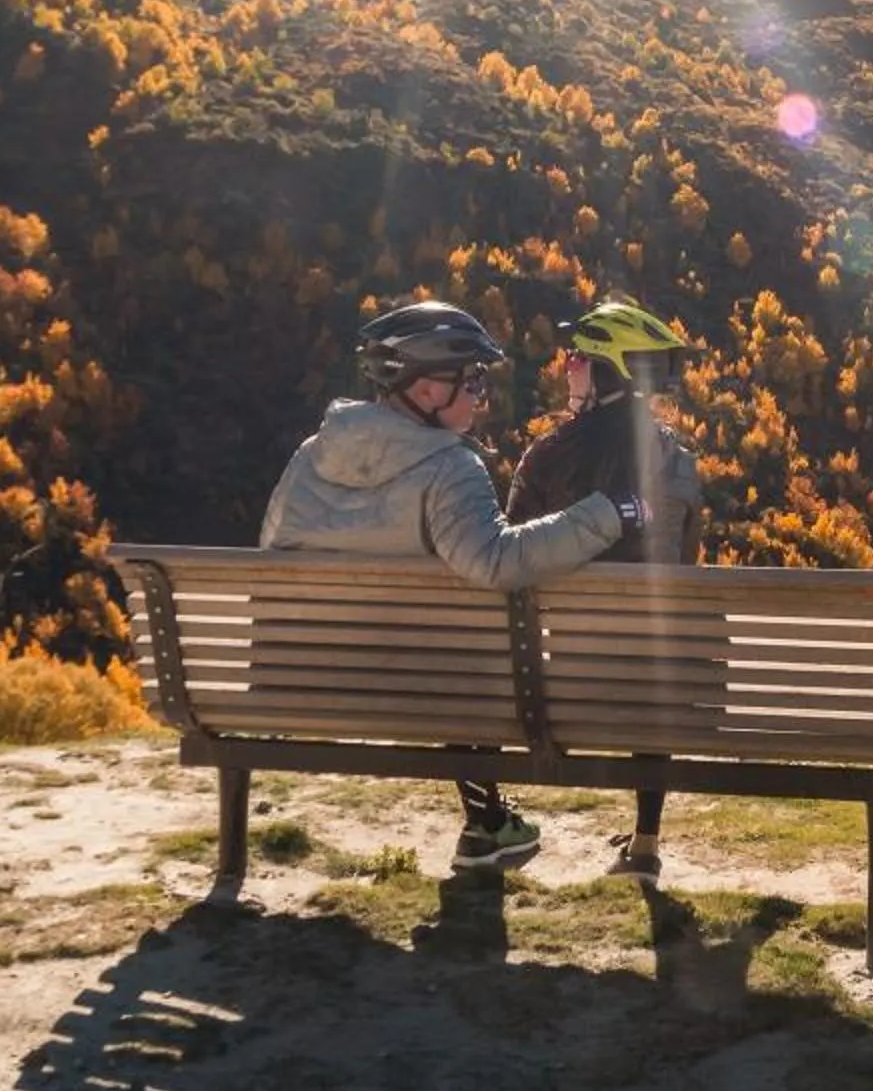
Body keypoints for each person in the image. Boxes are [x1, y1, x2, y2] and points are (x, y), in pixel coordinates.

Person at [261, 300, 645, 869]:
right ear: (425, 389)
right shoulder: (450, 467)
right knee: (465, 648)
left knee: (445, 638)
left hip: (292, 679)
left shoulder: (312, 455)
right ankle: (487, 825)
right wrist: (611, 512)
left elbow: (274, 547)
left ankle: (487, 823)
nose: (480, 396)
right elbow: (496, 561)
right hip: (423, 690)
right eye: (471, 382)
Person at [505, 299, 706, 878]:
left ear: (603, 371)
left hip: (556, 677)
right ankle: (645, 842)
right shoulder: (677, 463)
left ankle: (484, 820)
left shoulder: (545, 457)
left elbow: (510, 554)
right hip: (654, 685)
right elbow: (685, 562)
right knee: (657, 651)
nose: (566, 368)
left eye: (575, 359)